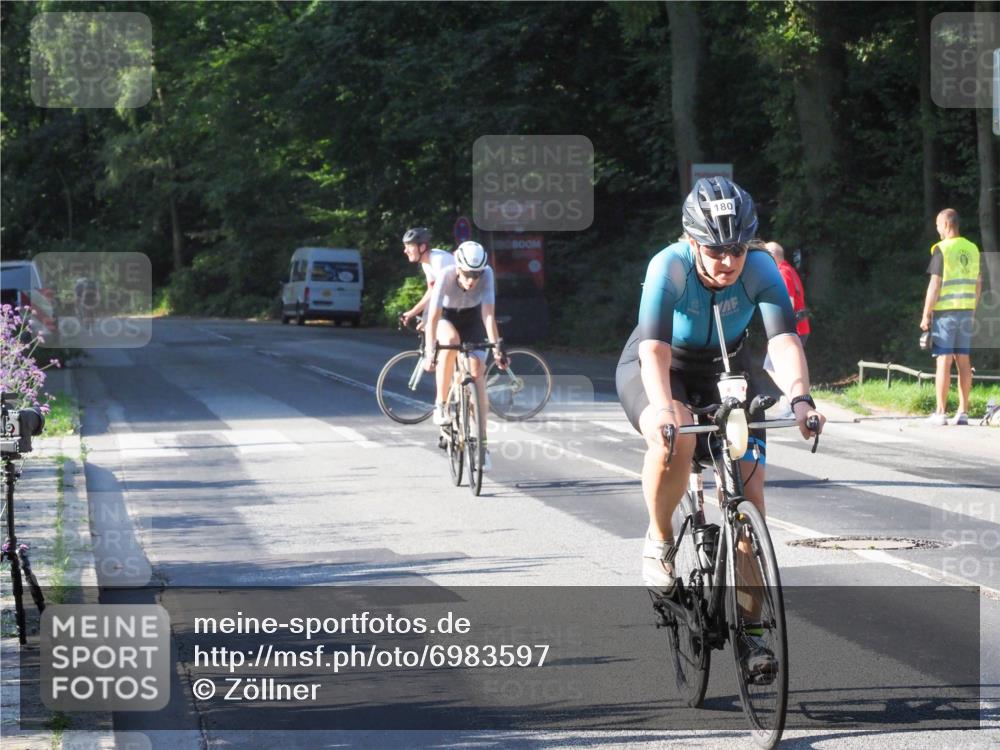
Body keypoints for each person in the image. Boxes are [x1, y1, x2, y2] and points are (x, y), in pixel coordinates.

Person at [616, 177, 825, 675]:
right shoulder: (668, 265)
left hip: (728, 369)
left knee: (751, 498)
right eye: (714, 249)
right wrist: (663, 409)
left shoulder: (761, 267)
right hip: (662, 366)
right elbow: (653, 349)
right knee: (675, 440)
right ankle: (659, 540)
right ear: (692, 241)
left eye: (737, 248)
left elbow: (783, 340)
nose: (728, 260)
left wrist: (801, 398)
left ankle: (753, 636)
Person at [422, 241, 506, 472]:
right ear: (458, 267)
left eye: (476, 274)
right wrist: (430, 351)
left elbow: (488, 315)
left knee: (477, 374)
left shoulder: (487, 274)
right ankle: (441, 404)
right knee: (450, 341)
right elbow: (433, 318)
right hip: (445, 317)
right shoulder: (446, 276)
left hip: (471, 319)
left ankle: (482, 445)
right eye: (468, 274)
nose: (472, 280)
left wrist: (497, 349)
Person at [920, 209, 982, 426]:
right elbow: (978, 282)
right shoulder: (972, 248)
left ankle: (941, 412)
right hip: (966, 311)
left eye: (938, 225)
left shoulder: (942, 249)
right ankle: (963, 412)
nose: (937, 230)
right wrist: (973, 310)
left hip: (946, 313)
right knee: (963, 360)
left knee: (943, 360)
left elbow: (935, 284)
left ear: (946, 225)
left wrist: (926, 313)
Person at [762, 241, 811, 415]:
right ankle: (794, 399)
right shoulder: (789, 270)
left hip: (791, 330)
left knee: (771, 366)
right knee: (781, 367)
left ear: (772, 256)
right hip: (800, 327)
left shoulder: (781, 273)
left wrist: (778, 327)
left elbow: (787, 302)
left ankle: (794, 399)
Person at [399, 227, 455, 327]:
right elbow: (432, 291)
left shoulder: (438, 260)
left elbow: (442, 294)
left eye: (409, 246)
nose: (405, 251)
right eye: (405, 246)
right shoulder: (426, 263)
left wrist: (429, 320)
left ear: (422, 247)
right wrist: (412, 312)